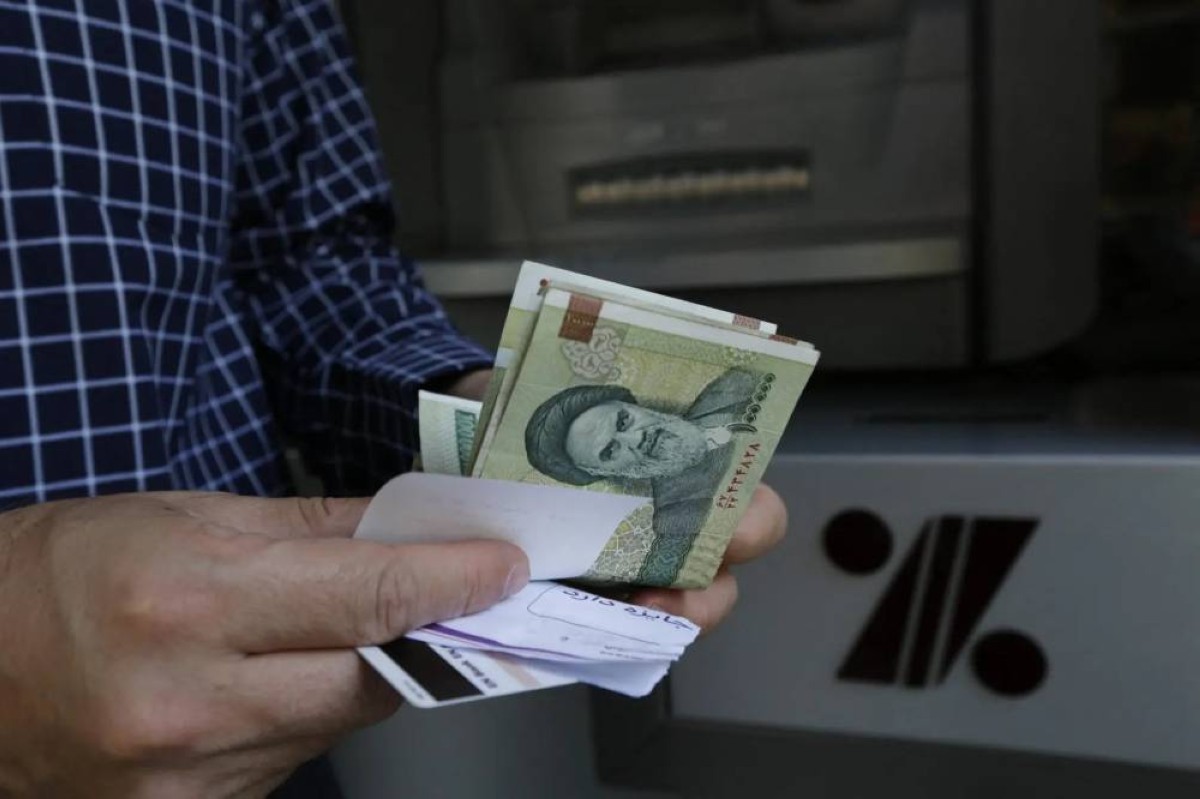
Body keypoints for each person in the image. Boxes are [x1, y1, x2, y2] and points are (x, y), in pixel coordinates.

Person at [0, 3, 787, 798]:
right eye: (610, 442)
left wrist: (476, 421)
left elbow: (314, 266)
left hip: (251, 730)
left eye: (613, 428)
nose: (632, 442)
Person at [526, 369, 766, 585]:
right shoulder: (675, 526)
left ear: (636, 406)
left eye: (624, 421)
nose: (637, 438)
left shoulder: (737, 387)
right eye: (611, 450)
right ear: (606, 473)